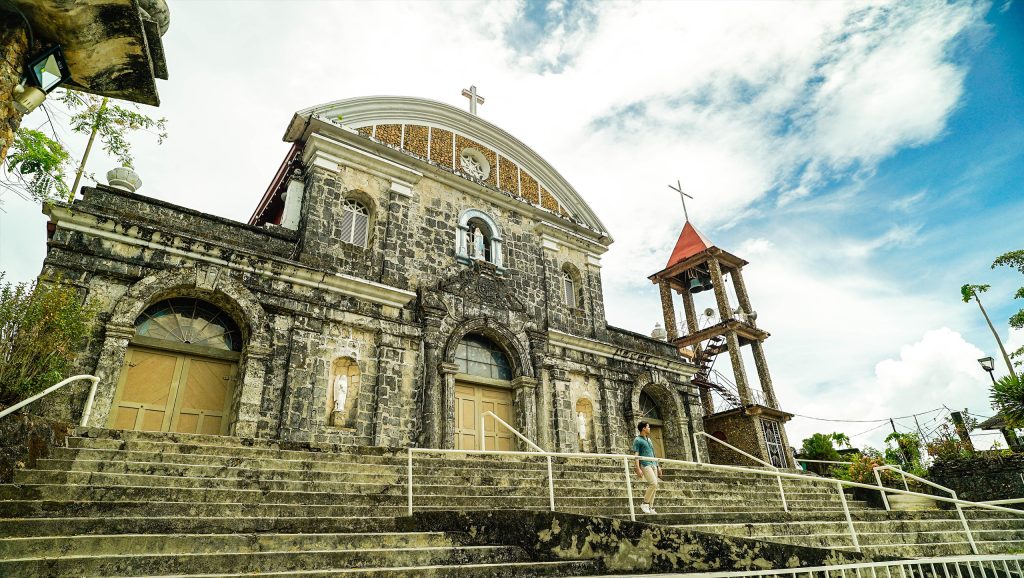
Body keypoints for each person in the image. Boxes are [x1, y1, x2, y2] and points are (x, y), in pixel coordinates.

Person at [632, 421, 662, 514]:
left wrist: (658, 466)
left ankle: (650, 507)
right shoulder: (637, 440)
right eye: (648, 427)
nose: (649, 428)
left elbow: (653, 454)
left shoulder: (649, 440)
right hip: (645, 464)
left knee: (655, 486)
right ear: (643, 428)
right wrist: (637, 467)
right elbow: (636, 454)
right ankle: (645, 503)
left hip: (653, 464)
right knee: (653, 483)